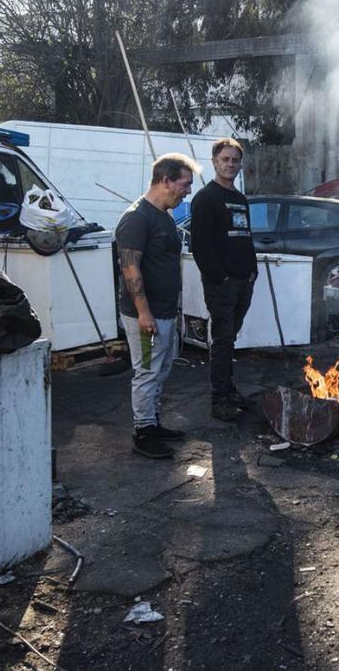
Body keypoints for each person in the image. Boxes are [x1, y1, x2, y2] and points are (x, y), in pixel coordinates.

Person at [115, 153, 200, 459]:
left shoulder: (163, 215)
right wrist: (143, 313)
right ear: (166, 181)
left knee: (161, 368)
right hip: (146, 316)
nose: (188, 191)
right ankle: (143, 433)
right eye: (185, 184)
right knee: (147, 370)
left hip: (165, 312)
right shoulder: (137, 218)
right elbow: (130, 269)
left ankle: (152, 422)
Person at [191, 138, 257, 421]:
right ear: (215, 162)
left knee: (230, 339)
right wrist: (220, 277)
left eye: (234, 160)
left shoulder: (240, 199)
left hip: (245, 281)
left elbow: (246, 238)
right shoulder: (206, 198)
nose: (230, 164)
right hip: (222, 285)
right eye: (225, 159)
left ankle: (229, 390)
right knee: (221, 339)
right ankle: (219, 399)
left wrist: (252, 270)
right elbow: (201, 247)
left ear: (240, 165)